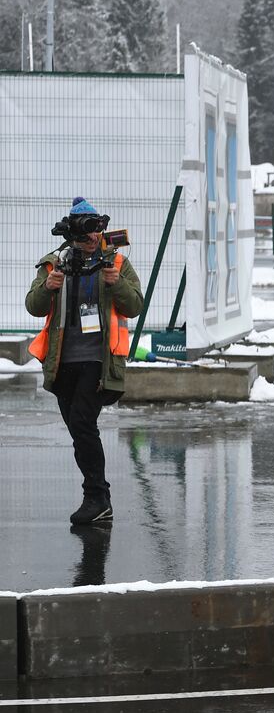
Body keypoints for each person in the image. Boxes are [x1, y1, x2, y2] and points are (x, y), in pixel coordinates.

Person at [25, 197, 144, 525]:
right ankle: (99, 499)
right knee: (79, 429)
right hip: (63, 361)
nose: (91, 236)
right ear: (72, 232)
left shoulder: (116, 263)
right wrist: (48, 287)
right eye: (85, 230)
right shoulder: (54, 262)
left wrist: (115, 283)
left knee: (82, 422)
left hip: (99, 360)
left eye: (96, 228)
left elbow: (134, 305)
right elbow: (33, 306)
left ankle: (96, 496)